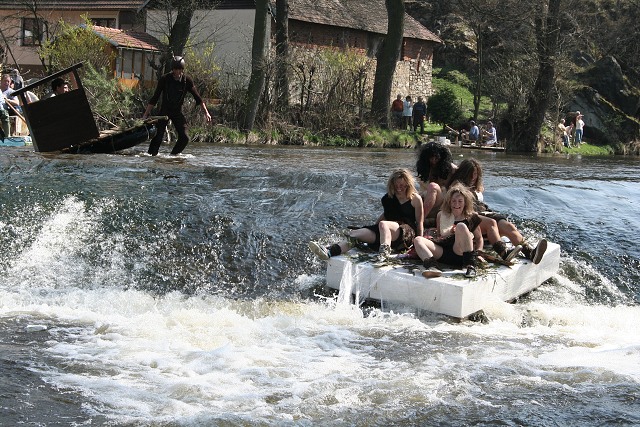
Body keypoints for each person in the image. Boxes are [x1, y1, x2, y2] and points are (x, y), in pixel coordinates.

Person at [309, 169, 424, 263]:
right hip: (387, 232)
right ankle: (330, 251)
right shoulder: (388, 199)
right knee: (354, 234)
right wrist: (371, 228)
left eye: (403, 185)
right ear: (392, 185)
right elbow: (386, 214)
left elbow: (419, 222)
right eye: (397, 185)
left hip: (406, 233)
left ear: (408, 185)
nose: (399, 188)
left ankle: (384, 255)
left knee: (383, 224)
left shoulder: (415, 199)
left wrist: (419, 243)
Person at [447, 158, 547, 264]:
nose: (473, 177)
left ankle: (530, 252)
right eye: (470, 174)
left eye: (475, 174)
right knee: (491, 223)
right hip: (467, 216)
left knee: (508, 226)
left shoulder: (476, 186)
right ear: (464, 173)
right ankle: (504, 252)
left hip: (483, 213)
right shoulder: (458, 186)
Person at [142, 55, 212, 156]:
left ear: (182, 70)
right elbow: (155, 98)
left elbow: (198, 98)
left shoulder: (187, 80)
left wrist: (206, 113)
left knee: (185, 138)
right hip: (164, 111)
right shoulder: (165, 79)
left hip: (177, 112)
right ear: (172, 69)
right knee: (158, 136)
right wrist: (145, 114)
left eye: (179, 70)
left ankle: (173, 156)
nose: (177, 73)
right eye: (175, 70)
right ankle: (151, 155)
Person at [413, 184, 482, 278]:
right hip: (444, 252)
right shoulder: (441, 215)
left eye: (460, 201)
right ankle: (432, 266)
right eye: (453, 201)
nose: (456, 204)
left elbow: (479, 238)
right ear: (449, 202)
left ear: (465, 202)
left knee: (461, 226)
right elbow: (439, 235)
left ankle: (470, 265)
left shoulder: (472, 217)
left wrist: (479, 253)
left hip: (460, 252)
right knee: (418, 239)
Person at [415, 141, 457, 225]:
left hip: (441, 203)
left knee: (433, 187)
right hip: (423, 199)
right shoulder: (424, 168)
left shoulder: (451, 169)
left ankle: (420, 221)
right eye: (431, 158)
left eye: (436, 158)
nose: (433, 160)